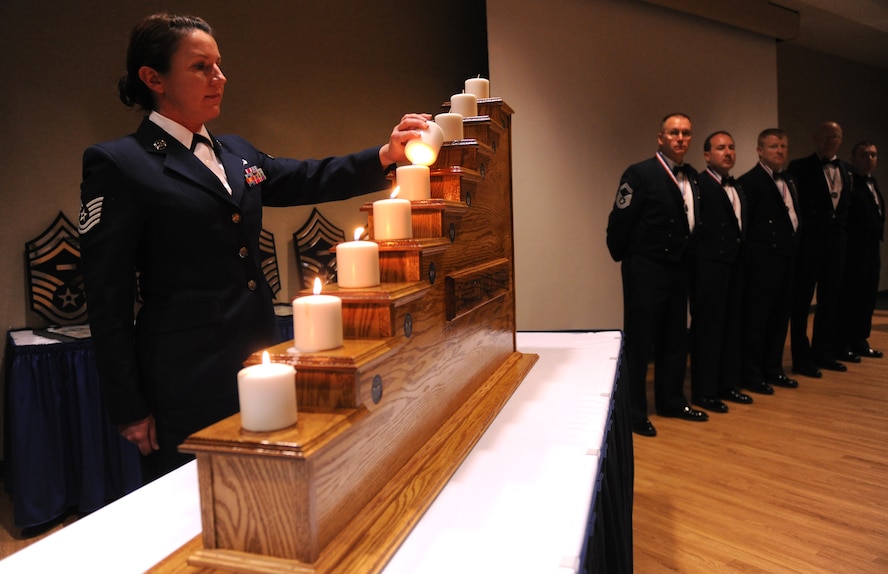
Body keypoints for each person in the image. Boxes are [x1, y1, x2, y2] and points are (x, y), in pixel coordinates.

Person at [79, 13, 430, 483]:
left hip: (259, 355)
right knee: (197, 497)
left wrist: (386, 155)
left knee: (268, 483)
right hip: (185, 375)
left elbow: (306, 177)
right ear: (153, 78)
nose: (219, 77)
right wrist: (128, 405)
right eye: (201, 67)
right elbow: (107, 296)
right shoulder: (121, 163)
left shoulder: (236, 151)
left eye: (218, 64)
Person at [606, 112, 708, 438]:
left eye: (686, 133)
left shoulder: (693, 176)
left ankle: (671, 401)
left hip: (679, 269)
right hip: (646, 271)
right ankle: (635, 412)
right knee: (640, 342)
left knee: (675, 337)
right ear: (661, 137)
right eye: (674, 133)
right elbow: (620, 222)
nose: (680, 138)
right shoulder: (639, 174)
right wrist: (629, 259)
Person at [688, 131, 753, 413]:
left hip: (735, 266)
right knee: (708, 330)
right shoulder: (699, 185)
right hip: (708, 267)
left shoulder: (737, 186)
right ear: (707, 155)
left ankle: (727, 384)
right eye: (721, 148)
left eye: (731, 147)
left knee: (731, 326)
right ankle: (704, 392)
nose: (728, 153)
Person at [787, 122, 853, 377]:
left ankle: (824, 353)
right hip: (809, 245)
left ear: (841, 139)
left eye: (834, 137)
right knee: (801, 303)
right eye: (824, 137)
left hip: (836, 245)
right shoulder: (799, 167)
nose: (828, 141)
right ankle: (801, 359)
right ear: (815, 138)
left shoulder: (847, 170)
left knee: (830, 300)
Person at [738, 128, 801, 395]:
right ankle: (752, 374)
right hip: (762, 262)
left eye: (783, 146)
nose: (780, 151)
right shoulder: (749, 182)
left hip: (787, 258)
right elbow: (746, 226)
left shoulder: (790, 180)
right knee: (758, 320)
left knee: (780, 317)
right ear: (760, 151)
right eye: (774, 146)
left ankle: (774, 368)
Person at [838, 141, 884, 359]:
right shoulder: (850, 183)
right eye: (864, 155)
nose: (869, 159)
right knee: (851, 296)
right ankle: (843, 342)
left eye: (873, 155)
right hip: (855, 250)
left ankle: (860, 340)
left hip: (872, 249)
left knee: (868, 297)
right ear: (853, 157)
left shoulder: (872, 182)